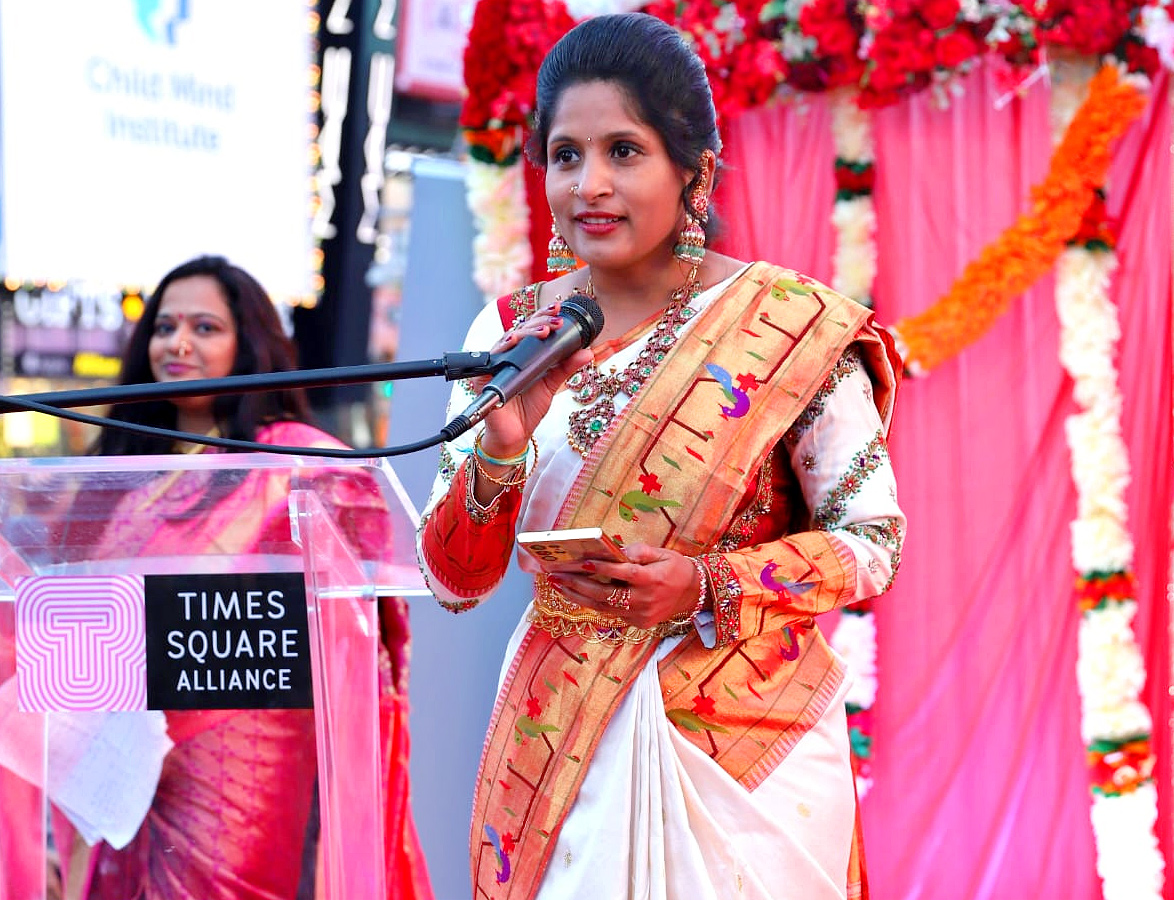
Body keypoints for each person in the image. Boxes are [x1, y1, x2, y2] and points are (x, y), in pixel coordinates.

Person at [417, 13, 905, 900]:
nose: (589, 185)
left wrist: (708, 587)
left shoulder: (790, 326)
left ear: (695, 170)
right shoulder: (510, 337)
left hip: (742, 749)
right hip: (559, 737)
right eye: (566, 155)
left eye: (624, 152)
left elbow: (874, 542)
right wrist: (499, 447)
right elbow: (455, 581)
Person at [46, 255, 431, 900]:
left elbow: (362, 584)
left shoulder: (292, 459)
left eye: (205, 327)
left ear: (246, 342)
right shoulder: (120, 464)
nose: (179, 343)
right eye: (165, 327)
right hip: (118, 746)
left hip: (241, 745)